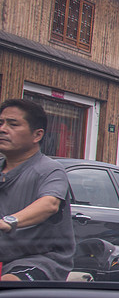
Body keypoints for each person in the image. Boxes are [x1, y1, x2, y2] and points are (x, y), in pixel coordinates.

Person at [0, 98, 75, 282]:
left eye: (13, 124)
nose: (2, 129)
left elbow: (49, 204)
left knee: (9, 284)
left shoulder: (50, 170)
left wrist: (10, 222)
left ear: (37, 135)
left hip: (40, 261)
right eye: (0, 122)